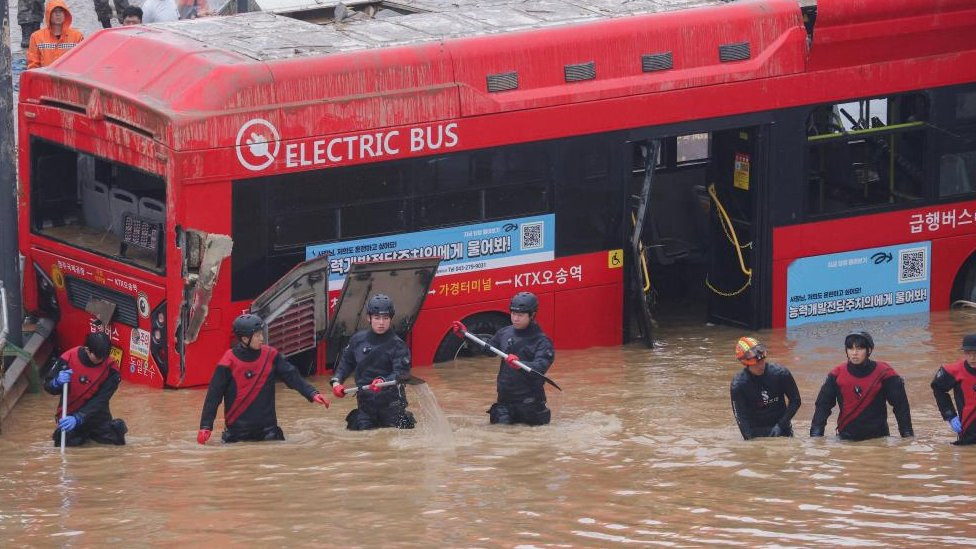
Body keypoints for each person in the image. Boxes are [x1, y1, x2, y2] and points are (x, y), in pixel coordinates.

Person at [197, 314, 330, 444]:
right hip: (237, 434)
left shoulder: (271, 355)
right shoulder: (228, 361)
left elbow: (292, 376)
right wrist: (205, 426)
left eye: (261, 334)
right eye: (257, 335)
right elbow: (213, 396)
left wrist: (312, 393)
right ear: (244, 339)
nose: (262, 338)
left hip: (268, 432)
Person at [460, 291, 555, 426]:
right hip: (505, 403)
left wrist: (519, 364)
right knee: (500, 434)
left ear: (532, 315)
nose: (515, 318)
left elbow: (540, 367)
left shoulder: (542, 341)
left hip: (530, 406)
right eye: (513, 314)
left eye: (520, 315)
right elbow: (489, 350)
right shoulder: (504, 333)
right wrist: (467, 335)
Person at [330, 294, 416, 430]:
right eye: (377, 318)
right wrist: (336, 382)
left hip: (392, 407)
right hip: (366, 407)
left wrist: (383, 381)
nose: (381, 322)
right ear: (368, 318)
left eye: (385, 318)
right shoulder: (357, 340)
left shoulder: (398, 345)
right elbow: (346, 363)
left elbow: (401, 373)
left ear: (391, 319)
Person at [810, 331, 914, 441]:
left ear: (869, 350)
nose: (854, 353)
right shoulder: (836, 374)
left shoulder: (885, 373)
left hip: (879, 440)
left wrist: (907, 435)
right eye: (850, 348)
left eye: (859, 349)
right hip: (846, 440)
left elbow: (901, 406)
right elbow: (823, 406)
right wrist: (816, 435)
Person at [44, 332, 127, 447]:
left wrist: (79, 418)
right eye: (98, 357)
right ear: (87, 350)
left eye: (104, 357)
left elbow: (101, 400)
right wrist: (56, 382)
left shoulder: (112, 370)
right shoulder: (68, 358)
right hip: (70, 415)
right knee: (64, 440)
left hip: (97, 416)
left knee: (116, 435)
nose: (101, 361)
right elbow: (47, 386)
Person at [729, 336, 801, 439]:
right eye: (756, 363)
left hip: (781, 428)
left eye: (762, 361)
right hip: (755, 432)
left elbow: (796, 400)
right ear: (746, 363)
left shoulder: (781, 374)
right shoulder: (738, 385)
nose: (761, 366)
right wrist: (748, 439)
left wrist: (781, 425)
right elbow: (740, 416)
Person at [930, 334, 976, 445]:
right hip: (968, 433)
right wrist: (950, 416)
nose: (972, 358)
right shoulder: (953, 371)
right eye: (968, 353)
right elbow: (937, 388)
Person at [27, 0, 84, 70]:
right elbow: (33, 65)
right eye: (54, 11)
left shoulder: (77, 36)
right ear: (49, 14)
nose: (58, 14)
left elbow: (82, 62)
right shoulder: (36, 37)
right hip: (45, 77)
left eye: (61, 11)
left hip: (68, 76)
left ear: (65, 14)